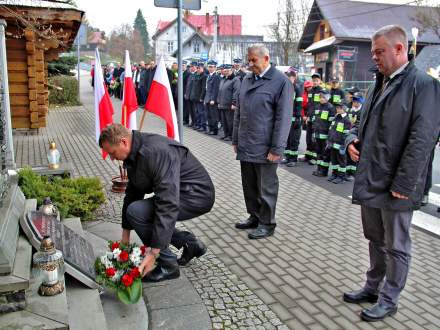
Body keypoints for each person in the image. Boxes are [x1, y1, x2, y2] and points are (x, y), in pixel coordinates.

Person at [344, 25, 440, 322]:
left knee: (396, 245)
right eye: (373, 52)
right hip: (372, 176)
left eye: (379, 51)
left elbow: (423, 138)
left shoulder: (423, 85)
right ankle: (372, 287)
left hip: (397, 184)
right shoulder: (378, 83)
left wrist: (405, 183)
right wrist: (351, 141)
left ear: (400, 49)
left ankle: (390, 299)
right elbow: (358, 124)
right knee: (374, 237)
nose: (374, 57)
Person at [99, 124, 215, 282]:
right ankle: (190, 244)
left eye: (112, 153)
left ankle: (168, 265)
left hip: (196, 195)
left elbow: (167, 204)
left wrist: (153, 253)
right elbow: (133, 193)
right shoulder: (135, 153)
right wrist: (125, 239)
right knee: (136, 210)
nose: (112, 158)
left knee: (138, 212)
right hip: (180, 192)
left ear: (123, 142)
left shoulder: (155, 152)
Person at [233, 44, 292, 239]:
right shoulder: (247, 79)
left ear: (266, 59)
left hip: (265, 145)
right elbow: (239, 112)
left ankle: (267, 223)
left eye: (253, 60)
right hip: (246, 142)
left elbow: (283, 118)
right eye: (248, 60)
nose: (250, 64)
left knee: (266, 187)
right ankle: (255, 215)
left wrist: (277, 148)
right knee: (249, 184)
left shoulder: (280, 82)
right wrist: (235, 139)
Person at [283, 66, 303, 167]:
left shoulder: (297, 88)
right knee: (287, 138)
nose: (289, 79)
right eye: (287, 77)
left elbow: (299, 105)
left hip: (295, 118)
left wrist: (298, 118)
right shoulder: (286, 88)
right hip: (287, 118)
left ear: (294, 78)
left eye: (290, 77)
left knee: (294, 139)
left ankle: (293, 159)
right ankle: (287, 157)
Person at [312, 89, 335, 177]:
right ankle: (319, 169)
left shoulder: (330, 107)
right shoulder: (317, 106)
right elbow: (315, 120)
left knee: (325, 153)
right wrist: (314, 131)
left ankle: (324, 171)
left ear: (327, 98)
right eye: (320, 97)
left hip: (325, 135)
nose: (321, 99)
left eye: (323, 97)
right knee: (318, 152)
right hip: (317, 134)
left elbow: (331, 124)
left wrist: (329, 136)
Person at [327, 104, 352, 183]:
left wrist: (343, 145)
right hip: (333, 143)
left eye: (339, 108)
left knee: (341, 161)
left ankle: (341, 177)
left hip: (340, 144)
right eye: (337, 108)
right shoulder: (336, 118)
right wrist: (329, 140)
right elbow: (331, 130)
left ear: (344, 109)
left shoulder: (346, 120)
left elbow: (346, 134)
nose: (337, 109)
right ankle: (335, 174)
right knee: (334, 160)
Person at [217, 64, 240, 141]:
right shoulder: (223, 79)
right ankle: (226, 134)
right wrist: (218, 101)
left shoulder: (235, 80)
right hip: (222, 104)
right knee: (224, 121)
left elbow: (236, 92)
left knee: (230, 122)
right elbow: (220, 91)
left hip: (229, 105)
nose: (226, 72)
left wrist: (234, 103)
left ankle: (231, 136)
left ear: (231, 70)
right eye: (225, 70)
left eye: (227, 71)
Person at [304, 73, 323, 165]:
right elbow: (309, 105)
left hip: (317, 118)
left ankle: (315, 157)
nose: (315, 82)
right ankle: (308, 156)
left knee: (315, 138)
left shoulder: (322, 91)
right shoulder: (310, 91)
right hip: (310, 117)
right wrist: (307, 116)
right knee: (308, 138)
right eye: (313, 80)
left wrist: (318, 117)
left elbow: (322, 106)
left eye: (316, 80)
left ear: (320, 81)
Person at [346, 92, 364, 178]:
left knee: (355, 154)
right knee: (348, 154)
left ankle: (353, 172)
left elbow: (359, 124)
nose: (355, 103)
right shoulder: (350, 109)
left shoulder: (363, 111)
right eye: (354, 101)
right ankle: (348, 171)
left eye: (357, 101)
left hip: (356, 136)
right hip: (348, 134)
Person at [204, 60, 221, 135]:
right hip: (207, 98)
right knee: (208, 115)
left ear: (215, 68)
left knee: (214, 116)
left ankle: (214, 130)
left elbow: (215, 89)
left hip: (212, 100)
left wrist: (213, 99)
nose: (210, 68)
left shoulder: (216, 77)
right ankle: (210, 129)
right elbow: (207, 89)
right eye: (209, 67)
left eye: (212, 67)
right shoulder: (208, 76)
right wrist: (205, 99)